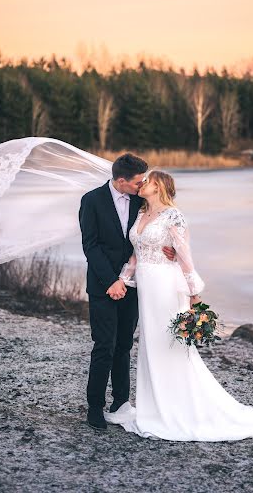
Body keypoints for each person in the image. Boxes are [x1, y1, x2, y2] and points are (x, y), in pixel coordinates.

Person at [103, 170, 253, 441]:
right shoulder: (140, 214)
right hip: (147, 288)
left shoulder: (174, 216)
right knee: (150, 344)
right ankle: (153, 406)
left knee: (170, 343)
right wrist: (123, 279)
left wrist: (195, 293)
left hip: (167, 287)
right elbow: (136, 255)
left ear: (159, 186)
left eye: (148, 180)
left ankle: (178, 408)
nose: (143, 183)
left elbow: (185, 256)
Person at [78, 154, 175, 430]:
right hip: (102, 285)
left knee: (123, 346)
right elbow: (91, 246)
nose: (142, 184)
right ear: (121, 181)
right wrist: (111, 280)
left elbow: (152, 233)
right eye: (137, 181)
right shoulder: (91, 201)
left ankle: (120, 403)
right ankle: (94, 407)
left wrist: (167, 250)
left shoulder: (140, 201)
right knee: (104, 346)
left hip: (133, 286)